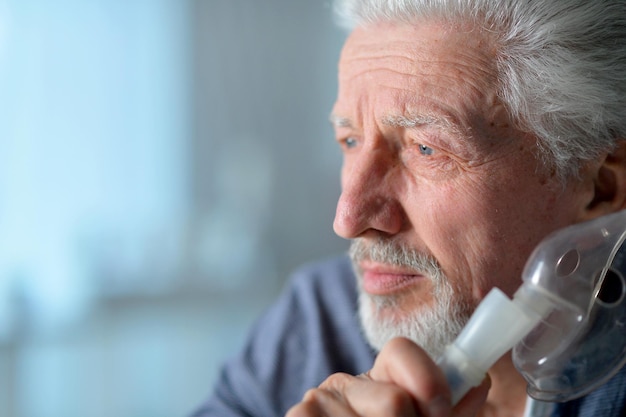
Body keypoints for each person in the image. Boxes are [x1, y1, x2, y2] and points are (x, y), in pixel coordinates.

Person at [191, 0, 626, 416]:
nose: (349, 219)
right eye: (350, 141)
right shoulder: (317, 324)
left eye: (425, 149)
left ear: (600, 188)